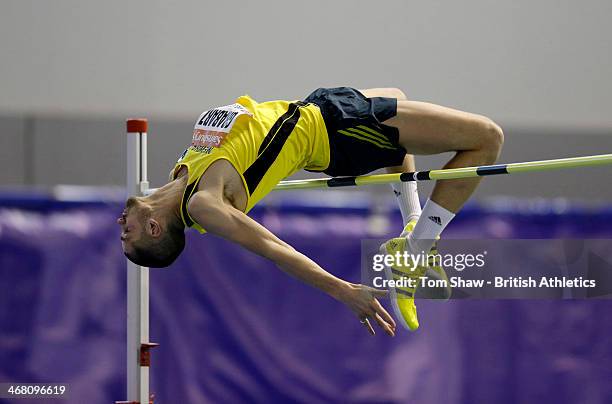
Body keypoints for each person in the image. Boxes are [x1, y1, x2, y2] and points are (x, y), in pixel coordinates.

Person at [117, 87, 503, 335]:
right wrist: (342, 290)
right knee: (487, 139)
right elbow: (274, 249)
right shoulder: (203, 205)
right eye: (127, 234)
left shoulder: (178, 174)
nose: (120, 224)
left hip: (319, 108)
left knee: (397, 96)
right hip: (335, 132)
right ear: (154, 228)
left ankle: (413, 228)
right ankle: (417, 250)